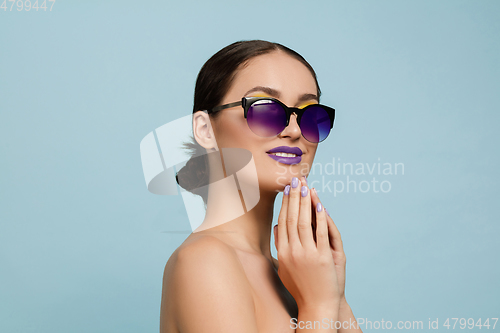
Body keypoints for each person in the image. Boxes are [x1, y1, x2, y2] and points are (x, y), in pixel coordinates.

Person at [160, 40, 362, 332]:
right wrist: (318, 306)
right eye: (265, 109)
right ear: (205, 129)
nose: (294, 131)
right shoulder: (204, 261)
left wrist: (336, 298)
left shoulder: (294, 277)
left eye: (310, 116)